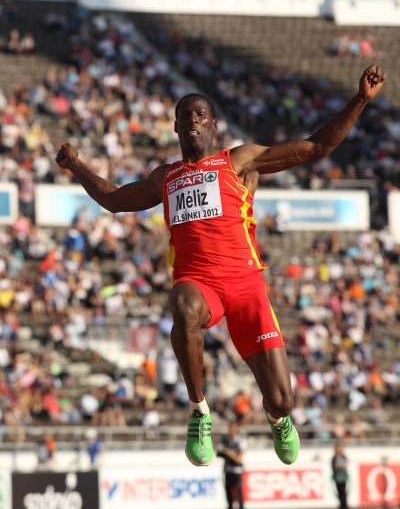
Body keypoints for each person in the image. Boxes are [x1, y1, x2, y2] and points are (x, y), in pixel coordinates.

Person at [55, 64, 386, 467]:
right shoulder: (166, 177)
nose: (193, 119)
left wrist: (360, 100)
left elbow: (317, 147)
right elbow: (113, 199)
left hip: (246, 287)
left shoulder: (239, 161)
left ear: (213, 125)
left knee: (283, 399)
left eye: (201, 114)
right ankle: (199, 412)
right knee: (182, 306)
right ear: (176, 127)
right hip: (199, 283)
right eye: (185, 115)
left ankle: (277, 418)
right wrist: (76, 165)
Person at [218, 420, 247, 509]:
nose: (231, 430)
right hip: (227, 470)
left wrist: (228, 452)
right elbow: (218, 452)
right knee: (229, 497)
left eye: (233, 428)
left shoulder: (241, 440)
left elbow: (239, 459)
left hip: (237, 471)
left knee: (239, 496)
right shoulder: (225, 439)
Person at [331, 441, 349, 509]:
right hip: (337, 478)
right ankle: (342, 506)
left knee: (343, 493)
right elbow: (333, 467)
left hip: (343, 478)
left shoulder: (343, 457)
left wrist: (339, 466)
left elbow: (345, 467)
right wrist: (339, 466)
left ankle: (344, 506)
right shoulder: (334, 458)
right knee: (340, 494)